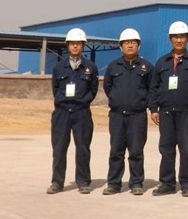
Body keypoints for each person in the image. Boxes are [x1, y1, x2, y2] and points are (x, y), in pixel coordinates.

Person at [150, 21, 188, 197]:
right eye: (175, 37)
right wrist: (154, 109)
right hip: (166, 113)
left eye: (182, 37)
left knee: (187, 149)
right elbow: (154, 88)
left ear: (187, 39)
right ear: (170, 39)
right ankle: (167, 183)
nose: (179, 40)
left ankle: (187, 184)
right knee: (166, 148)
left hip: (187, 113)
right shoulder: (162, 62)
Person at [102, 28, 155, 196]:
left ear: (138, 45)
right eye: (126, 43)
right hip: (117, 115)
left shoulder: (146, 67)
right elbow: (108, 87)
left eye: (133, 42)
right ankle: (114, 183)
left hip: (137, 116)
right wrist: (117, 100)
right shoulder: (113, 66)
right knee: (116, 151)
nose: (130, 45)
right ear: (121, 46)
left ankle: (136, 183)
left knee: (136, 151)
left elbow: (152, 89)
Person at [47, 28, 99, 195]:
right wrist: (64, 102)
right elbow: (55, 89)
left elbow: (93, 90)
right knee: (59, 148)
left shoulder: (90, 67)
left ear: (83, 46)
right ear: (68, 46)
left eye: (78, 43)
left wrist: (82, 101)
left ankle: (83, 182)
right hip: (62, 112)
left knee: (83, 148)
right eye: (72, 44)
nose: (75, 46)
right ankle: (57, 182)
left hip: (81, 112)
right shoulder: (58, 68)